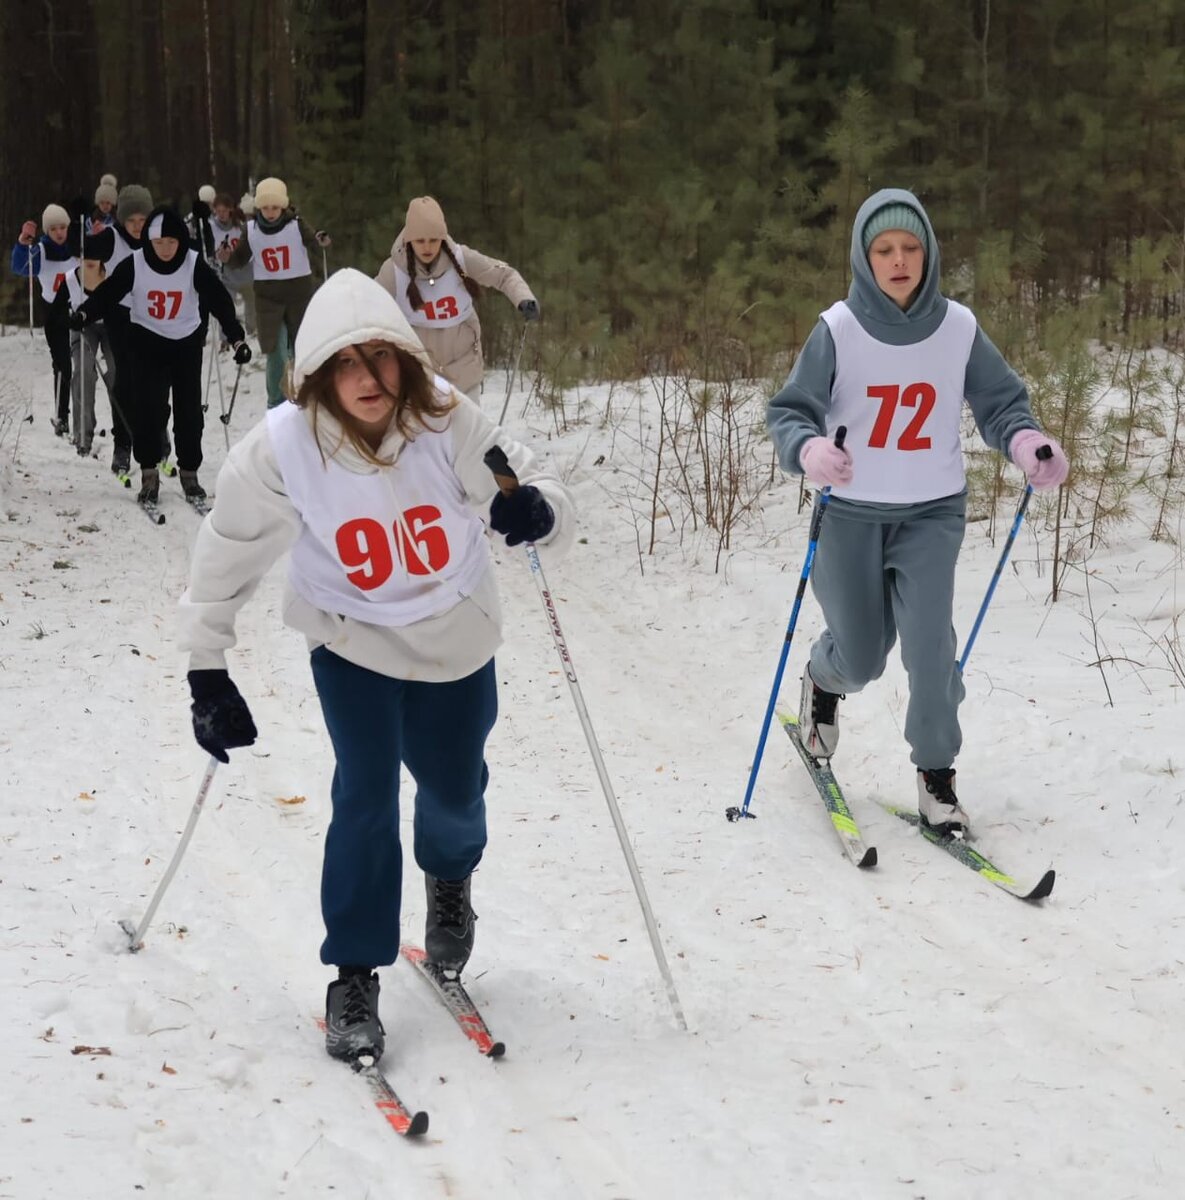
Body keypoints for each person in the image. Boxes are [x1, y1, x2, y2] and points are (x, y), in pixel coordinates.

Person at [176, 267, 574, 1064]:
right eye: (346, 365)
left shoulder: (447, 420)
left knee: (456, 793)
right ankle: (353, 972)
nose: (367, 380)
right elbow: (228, 550)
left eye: (380, 360)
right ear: (320, 372)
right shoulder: (283, 446)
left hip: (454, 632)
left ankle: (449, 880)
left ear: (403, 360)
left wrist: (537, 510)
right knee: (363, 796)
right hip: (351, 638)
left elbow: (524, 475)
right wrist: (206, 666)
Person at [766, 188, 1069, 836]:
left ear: (927, 254)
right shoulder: (838, 330)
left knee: (930, 651)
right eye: (884, 249)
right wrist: (810, 449)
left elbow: (1000, 401)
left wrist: (1024, 443)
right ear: (864, 257)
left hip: (931, 513)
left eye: (910, 247)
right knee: (863, 656)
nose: (898, 260)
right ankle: (823, 682)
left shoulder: (956, 327)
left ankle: (936, 778)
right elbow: (790, 411)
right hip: (848, 516)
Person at [73, 206, 250, 504]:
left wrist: (236, 339)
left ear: (181, 241)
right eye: (158, 243)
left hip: (186, 344)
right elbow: (109, 292)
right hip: (147, 342)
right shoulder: (136, 263)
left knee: (189, 412)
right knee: (148, 411)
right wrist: (85, 313)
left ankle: (190, 473)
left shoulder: (193, 264)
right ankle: (149, 473)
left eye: (171, 242)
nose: (165, 249)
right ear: (149, 242)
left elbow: (219, 300)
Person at [375, 196, 539, 404]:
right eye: (420, 241)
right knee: (425, 436)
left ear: (442, 238)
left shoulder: (462, 259)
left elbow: (503, 274)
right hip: (418, 375)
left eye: (433, 240)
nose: (427, 247)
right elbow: (368, 303)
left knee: (468, 435)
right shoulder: (394, 271)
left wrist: (524, 298)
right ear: (409, 240)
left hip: (464, 371)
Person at [218, 176, 329, 408]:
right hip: (268, 299)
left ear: (284, 206)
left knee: (300, 348)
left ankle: (307, 395)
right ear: (259, 207)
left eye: (275, 207)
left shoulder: (296, 224)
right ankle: (276, 402)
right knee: (275, 351)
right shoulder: (252, 230)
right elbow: (240, 258)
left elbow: (313, 241)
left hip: (298, 296)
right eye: (265, 207)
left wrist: (321, 240)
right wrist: (227, 258)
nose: (270, 212)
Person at [11, 204, 79, 435]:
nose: (60, 233)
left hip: (78, 309)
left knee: (81, 366)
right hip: (53, 312)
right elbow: (20, 267)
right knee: (63, 365)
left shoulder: (75, 246)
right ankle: (62, 416)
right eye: (54, 229)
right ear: (47, 231)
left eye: (63, 227)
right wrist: (22, 243)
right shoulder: (40, 250)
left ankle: (80, 416)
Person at [64, 228, 117, 457]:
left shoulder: (114, 275)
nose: (91, 261)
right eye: (86, 257)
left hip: (111, 328)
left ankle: (126, 431)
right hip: (83, 329)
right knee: (84, 372)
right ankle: (83, 434)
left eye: (97, 256)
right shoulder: (71, 278)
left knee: (117, 371)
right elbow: (56, 314)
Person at [208, 191, 256, 336]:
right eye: (218, 211)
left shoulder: (240, 225)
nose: (221, 214)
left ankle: (252, 330)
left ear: (230, 209)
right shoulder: (211, 227)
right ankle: (225, 337)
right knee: (226, 306)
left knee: (251, 303)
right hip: (227, 273)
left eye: (224, 210)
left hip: (245, 270)